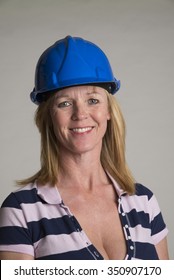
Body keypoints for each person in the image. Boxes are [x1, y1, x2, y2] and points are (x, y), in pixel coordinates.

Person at [0, 36, 169, 260]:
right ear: (48, 118)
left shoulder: (144, 203)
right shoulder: (21, 211)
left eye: (93, 100)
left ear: (108, 111)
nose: (81, 115)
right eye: (65, 103)